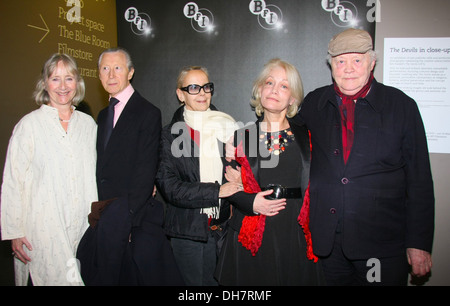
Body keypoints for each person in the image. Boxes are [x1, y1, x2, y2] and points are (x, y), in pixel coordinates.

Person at [298, 28, 435, 285]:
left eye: (357, 60)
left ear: (372, 63)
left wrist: (418, 244)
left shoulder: (402, 106)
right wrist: (243, 146)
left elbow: (420, 181)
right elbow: (283, 136)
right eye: (341, 61)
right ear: (331, 66)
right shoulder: (314, 103)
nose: (348, 68)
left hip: (382, 246)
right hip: (328, 244)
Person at [76, 47, 183, 285]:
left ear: (130, 72)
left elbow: (145, 172)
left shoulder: (148, 112)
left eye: (118, 68)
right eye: (105, 69)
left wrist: (127, 220)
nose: (111, 75)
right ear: (99, 74)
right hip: (104, 216)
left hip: (130, 219)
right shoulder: (103, 115)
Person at [215, 58, 324, 286]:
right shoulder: (239, 137)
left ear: (293, 97)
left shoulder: (308, 136)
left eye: (284, 86)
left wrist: (244, 181)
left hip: (293, 231)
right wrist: (250, 201)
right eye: (269, 83)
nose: (275, 90)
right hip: (253, 228)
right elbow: (228, 186)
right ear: (260, 90)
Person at [0, 53, 97, 286]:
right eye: (55, 79)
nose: (63, 86)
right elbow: (14, 180)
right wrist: (14, 231)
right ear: (45, 84)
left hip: (84, 228)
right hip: (43, 229)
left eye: (69, 78)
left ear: (78, 83)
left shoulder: (88, 125)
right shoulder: (29, 125)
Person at [156, 66, 242, 286]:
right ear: (180, 94)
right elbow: (171, 188)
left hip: (223, 229)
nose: (202, 93)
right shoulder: (168, 135)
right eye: (193, 87)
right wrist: (217, 191)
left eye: (206, 86)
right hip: (188, 233)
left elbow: (240, 174)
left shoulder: (227, 126)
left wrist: (240, 170)